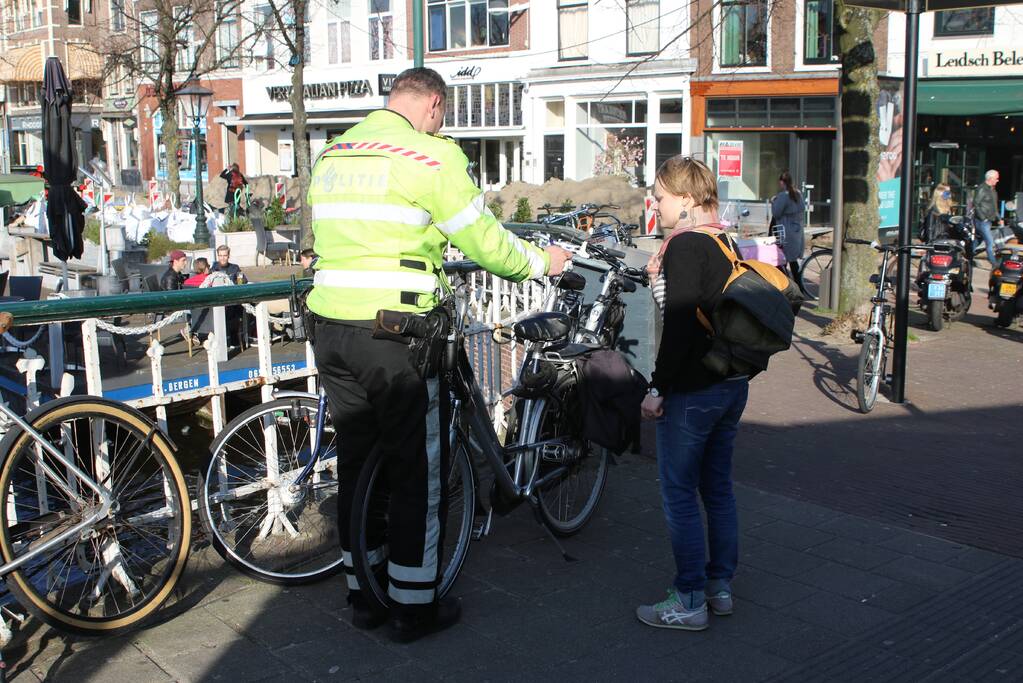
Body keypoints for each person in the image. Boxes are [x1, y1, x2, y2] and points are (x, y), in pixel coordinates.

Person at [307, 67, 571, 643]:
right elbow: (482, 239)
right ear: (432, 104)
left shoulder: (333, 153)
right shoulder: (430, 157)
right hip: (397, 335)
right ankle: (412, 606)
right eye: (443, 113)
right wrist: (540, 264)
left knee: (356, 463)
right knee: (417, 473)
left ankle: (363, 595)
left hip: (330, 324)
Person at [637, 156, 749, 632]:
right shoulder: (725, 240)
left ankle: (688, 599)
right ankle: (719, 588)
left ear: (684, 200)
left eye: (660, 196)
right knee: (718, 490)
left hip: (694, 390)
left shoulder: (685, 247)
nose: (655, 204)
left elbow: (681, 327)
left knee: (679, 494)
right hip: (731, 384)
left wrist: (657, 387)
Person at [770, 171, 806, 280]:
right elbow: (802, 208)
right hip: (797, 230)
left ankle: (787, 285)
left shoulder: (783, 196)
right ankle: (798, 285)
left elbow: (776, 213)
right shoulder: (798, 193)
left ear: (782, 182)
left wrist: (773, 202)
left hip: (785, 230)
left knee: (782, 259)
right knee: (792, 260)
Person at [973, 170, 1000, 266]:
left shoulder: (993, 190)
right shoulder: (982, 189)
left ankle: (968, 256)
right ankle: (995, 263)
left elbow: (994, 206)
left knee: (977, 241)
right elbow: (976, 203)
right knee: (990, 242)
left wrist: (999, 218)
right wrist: (982, 217)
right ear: (990, 178)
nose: (998, 180)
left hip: (989, 220)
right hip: (982, 221)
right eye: (996, 178)